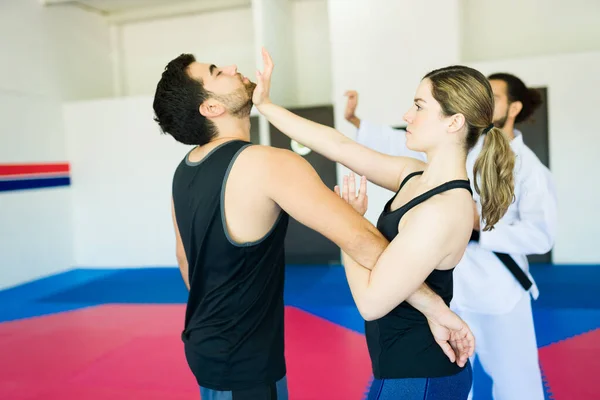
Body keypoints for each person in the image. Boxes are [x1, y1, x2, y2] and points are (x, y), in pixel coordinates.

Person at [152, 52, 475, 400]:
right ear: (211, 108)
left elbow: (187, 263)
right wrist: (436, 307)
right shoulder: (266, 162)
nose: (231, 67)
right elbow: (359, 239)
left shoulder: (184, 170)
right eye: (217, 73)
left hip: (203, 347)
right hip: (246, 363)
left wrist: (268, 105)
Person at [253, 49, 515, 399]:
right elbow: (338, 145)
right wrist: (266, 106)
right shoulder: (414, 174)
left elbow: (372, 301)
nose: (407, 115)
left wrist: (348, 223)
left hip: (418, 376)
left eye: (420, 106)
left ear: (454, 122)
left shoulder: (444, 208)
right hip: (404, 369)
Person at [344, 73, 558, 400]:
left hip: (501, 292)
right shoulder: (459, 147)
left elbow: (541, 236)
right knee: (454, 375)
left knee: (517, 384)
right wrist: (356, 121)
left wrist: (478, 227)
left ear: (513, 107)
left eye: (495, 96)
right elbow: (395, 142)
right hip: (452, 290)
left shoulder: (530, 169)